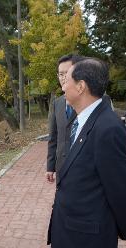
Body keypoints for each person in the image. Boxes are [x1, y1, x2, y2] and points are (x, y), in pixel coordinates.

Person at [49, 58, 126, 248]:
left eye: (67, 79)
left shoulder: (108, 129)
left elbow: (124, 191)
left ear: (81, 86)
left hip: (87, 247)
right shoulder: (80, 120)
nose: (63, 84)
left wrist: (122, 230)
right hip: (66, 238)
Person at [46, 54, 84, 184]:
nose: (63, 78)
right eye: (60, 74)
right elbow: (53, 137)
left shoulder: (88, 101)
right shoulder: (58, 103)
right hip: (62, 166)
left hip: (82, 167)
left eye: (66, 73)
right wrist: (50, 167)